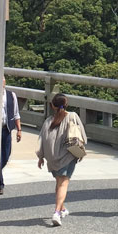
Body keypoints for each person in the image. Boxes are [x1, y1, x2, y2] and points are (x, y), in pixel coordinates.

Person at [36, 93, 86, 226]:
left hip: (51, 158)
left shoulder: (48, 121)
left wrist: (41, 157)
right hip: (67, 155)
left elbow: (41, 140)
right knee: (64, 183)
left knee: (59, 183)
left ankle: (62, 208)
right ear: (67, 104)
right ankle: (57, 212)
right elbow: (81, 136)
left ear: (52, 105)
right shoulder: (72, 117)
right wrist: (80, 150)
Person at [0, 77, 22, 196]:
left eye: (2, 81)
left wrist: (19, 129)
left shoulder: (11, 95)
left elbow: (16, 113)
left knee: (5, 155)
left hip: (6, 128)